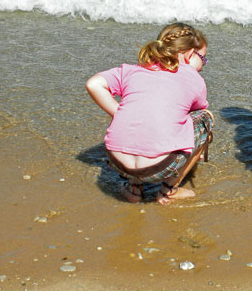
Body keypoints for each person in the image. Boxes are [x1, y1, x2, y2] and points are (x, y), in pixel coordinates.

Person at [86, 23, 213, 204]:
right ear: (189, 54)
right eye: (203, 58)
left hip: (117, 163)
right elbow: (197, 115)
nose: (203, 65)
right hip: (159, 168)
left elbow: (93, 84)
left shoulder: (132, 70)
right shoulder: (193, 77)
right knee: (206, 119)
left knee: (140, 118)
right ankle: (169, 190)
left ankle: (133, 187)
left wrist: (118, 112)